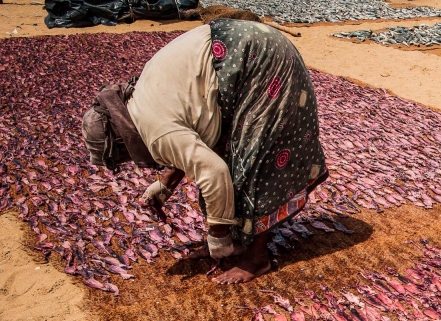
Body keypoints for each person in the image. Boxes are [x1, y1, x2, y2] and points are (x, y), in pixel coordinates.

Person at [81, 19, 328, 284]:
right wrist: (166, 183)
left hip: (260, 59)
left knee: (258, 160)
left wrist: (218, 236)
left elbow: (212, 170)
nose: (130, 159)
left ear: (122, 141)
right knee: (230, 152)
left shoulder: (155, 131)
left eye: (124, 157)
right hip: (241, 47)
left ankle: (256, 258)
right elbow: (192, 126)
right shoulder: (138, 100)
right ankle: (238, 239)